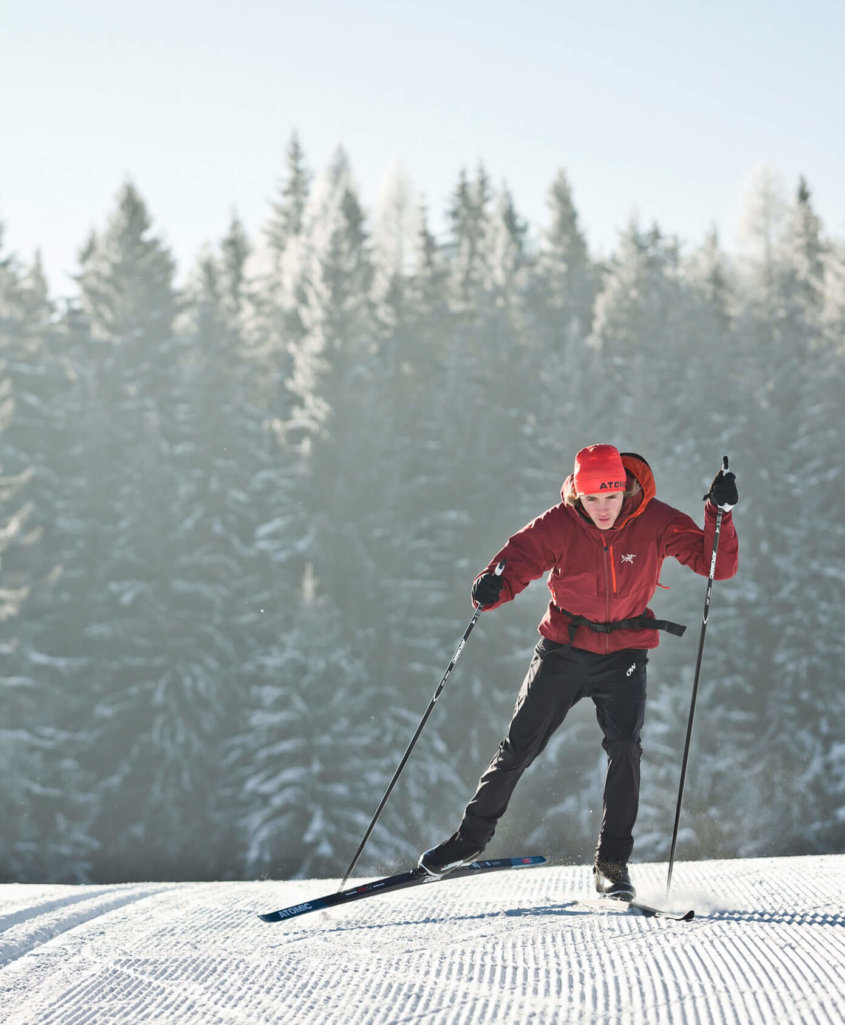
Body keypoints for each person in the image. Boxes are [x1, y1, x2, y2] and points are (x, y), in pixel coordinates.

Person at [418, 444, 739, 899]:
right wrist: (491, 586)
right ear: (577, 495)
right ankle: (468, 841)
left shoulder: (654, 520)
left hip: (624, 653)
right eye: (592, 499)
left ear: (625, 489)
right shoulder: (558, 524)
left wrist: (716, 514)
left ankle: (612, 866)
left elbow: (717, 565)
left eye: (611, 497)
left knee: (625, 749)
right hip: (564, 651)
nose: (603, 509)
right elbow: (514, 563)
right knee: (520, 745)